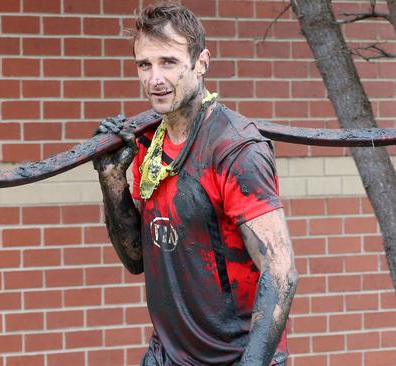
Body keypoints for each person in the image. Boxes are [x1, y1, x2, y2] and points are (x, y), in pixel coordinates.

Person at [93, 3, 298, 366]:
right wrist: (111, 181)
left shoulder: (234, 149)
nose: (155, 79)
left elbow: (280, 273)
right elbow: (137, 259)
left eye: (168, 62)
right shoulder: (148, 145)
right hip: (167, 355)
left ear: (201, 62)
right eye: (145, 64)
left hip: (238, 357)